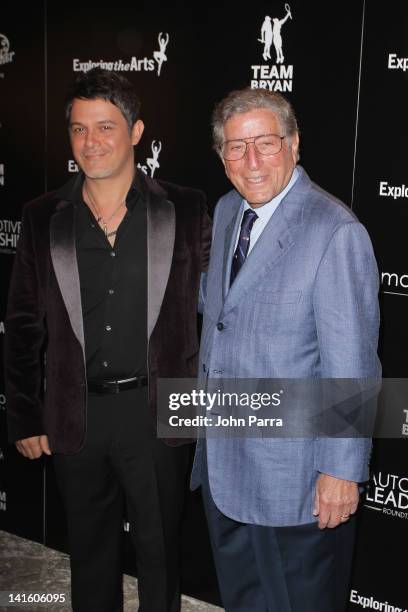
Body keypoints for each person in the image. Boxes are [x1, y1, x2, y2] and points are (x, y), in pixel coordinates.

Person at [4, 68, 211, 612]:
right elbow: (23, 323)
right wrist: (25, 416)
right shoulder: (42, 216)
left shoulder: (185, 210)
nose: (90, 142)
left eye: (105, 127)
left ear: (136, 131)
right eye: (78, 129)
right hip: (77, 414)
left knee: (161, 556)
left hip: (159, 412)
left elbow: (224, 312)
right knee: (90, 556)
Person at [191, 87, 381, 612]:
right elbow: (223, 311)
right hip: (224, 465)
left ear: (295, 144)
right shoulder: (229, 210)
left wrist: (341, 471)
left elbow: (354, 365)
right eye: (235, 147)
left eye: (266, 143)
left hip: (295, 484)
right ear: (221, 156)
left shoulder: (334, 231)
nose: (251, 161)